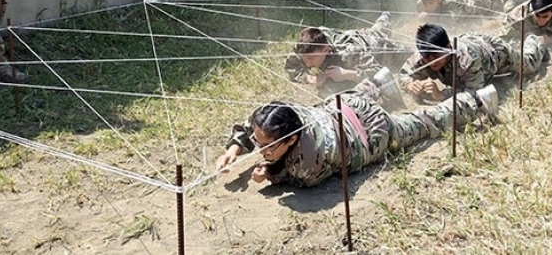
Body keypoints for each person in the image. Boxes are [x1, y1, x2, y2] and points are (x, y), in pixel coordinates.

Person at [214, 80, 499, 188]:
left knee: (423, 122)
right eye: (260, 143)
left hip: (372, 133)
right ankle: (379, 82)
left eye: (268, 145)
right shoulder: (284, 114)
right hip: (348, 104)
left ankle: (476, 101)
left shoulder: (308, 161)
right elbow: (256, 129)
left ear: (290, 140)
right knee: (343, 99)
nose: (262, 148)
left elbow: (297, 176)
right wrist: (235, 149)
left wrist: (271, 172)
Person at [397, 24, 547, 104]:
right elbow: (404, 74)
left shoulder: (468, 61)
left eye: (435, 56)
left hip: (495, 52)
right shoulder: (424, 54)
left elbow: (474, 93)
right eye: (426, 58)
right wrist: (410, 84)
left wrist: (442, 94)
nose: (431, 62)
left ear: (448, 48)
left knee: (529, 65)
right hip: (469, 41)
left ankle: (535, 40)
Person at [284, 12, 404, 95]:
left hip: (374, 46)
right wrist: (310, 78)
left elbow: (378, 71)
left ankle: (385, 16)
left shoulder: (347, 52)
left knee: (386, 37)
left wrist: (347, 74)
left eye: (311, 58)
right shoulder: (306, 47)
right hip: (355, 35)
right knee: (375, 29)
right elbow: (291, 67)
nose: (306, 63)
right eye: (304, 58)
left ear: (326, 50)